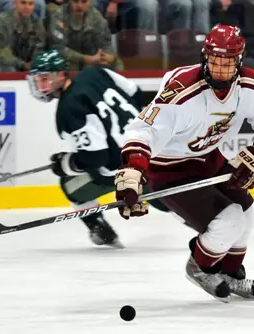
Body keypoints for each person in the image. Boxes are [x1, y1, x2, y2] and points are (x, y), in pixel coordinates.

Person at [114, 24, 254, 302]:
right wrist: (133, 170)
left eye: (227, 63)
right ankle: (200, 268)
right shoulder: (182, 89)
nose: (219, 69)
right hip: (170, 169)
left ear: (239, 61)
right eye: (215, 61)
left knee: (246, 214)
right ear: (205, 57)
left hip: (209, 158)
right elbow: (144, 130)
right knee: (229, 219)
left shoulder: (252, 87)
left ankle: (230, 273)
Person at [27, 49, 169, 248]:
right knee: (170, 201)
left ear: (60, 75)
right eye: (37, 79)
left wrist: (66, 164)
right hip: (151, 149)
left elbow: (96, 158)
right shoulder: (95, 73)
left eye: (44, 78)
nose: (39, 85)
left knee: (70, 186)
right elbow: (135, 93)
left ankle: (101, 231)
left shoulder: (69, 109)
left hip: (124, 170)